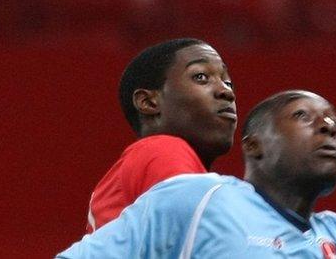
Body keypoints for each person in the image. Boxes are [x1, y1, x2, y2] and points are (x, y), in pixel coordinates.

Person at [59, 3, 336, 258]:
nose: (327, 126)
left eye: (334, 122)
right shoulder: (194, 194)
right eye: (303, 117)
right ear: (254, 146)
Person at [85, 38, 237, 233]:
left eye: (227, 82)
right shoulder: (162, 149)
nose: (227, 92)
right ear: (148, 102)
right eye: (201, 77)